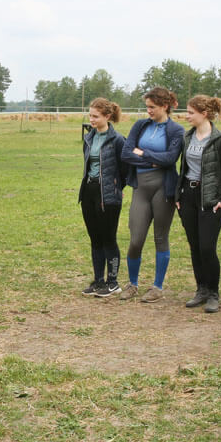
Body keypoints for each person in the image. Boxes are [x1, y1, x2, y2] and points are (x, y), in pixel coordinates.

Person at [119, 87, 184, 302]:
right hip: (141, 187)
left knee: (160, 238)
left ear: (164, 106)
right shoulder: (140, 125)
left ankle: (157, 286)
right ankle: (132, 284)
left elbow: (170, 159)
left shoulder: (176, 130)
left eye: (152, 107)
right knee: (136, 239)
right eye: (147, 107)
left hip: (163, 188)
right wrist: (153, 158)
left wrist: (143, 153)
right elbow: (126, 153)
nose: (148, 111)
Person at [175, 95, 221, 313]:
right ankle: (201, 289)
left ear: (204, 114)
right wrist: (178, 197)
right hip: (188, 197)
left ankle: (213, 293)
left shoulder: (220, 140)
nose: (187, 116)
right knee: (195, 246)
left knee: (208, 247)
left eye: (191, 112)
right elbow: (182, 168)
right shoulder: (187, 137)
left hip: (210, 199)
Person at [79, 98, 127, 298]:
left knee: (108, 239)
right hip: (88, 192)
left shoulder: (118, 140)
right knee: (95, 238)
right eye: (90, 115)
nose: (91, 119)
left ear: (107, 117)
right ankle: (98, 281)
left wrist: (116, 187)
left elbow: (124, 169)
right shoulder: (89, 137)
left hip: (108, 196)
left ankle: (113, 282)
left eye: (95, 116)